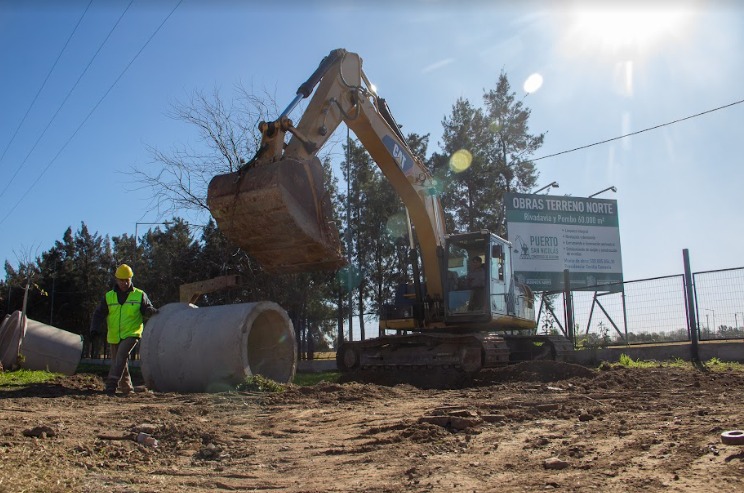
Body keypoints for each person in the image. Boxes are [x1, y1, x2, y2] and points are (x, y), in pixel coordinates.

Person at [90, 264, 158, 396]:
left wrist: (151, 311)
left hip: (132, 333)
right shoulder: (109, 296)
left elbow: (147, 308)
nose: (125, 283)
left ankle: (111, 384)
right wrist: (94, 329)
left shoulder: (139, 295)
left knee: (121, 356)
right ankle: (127, 389)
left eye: (127, 280)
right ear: (116, 280)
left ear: (131, 279)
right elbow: (99, 313)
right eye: (122, 280)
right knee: (120, 361)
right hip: (115, 335)